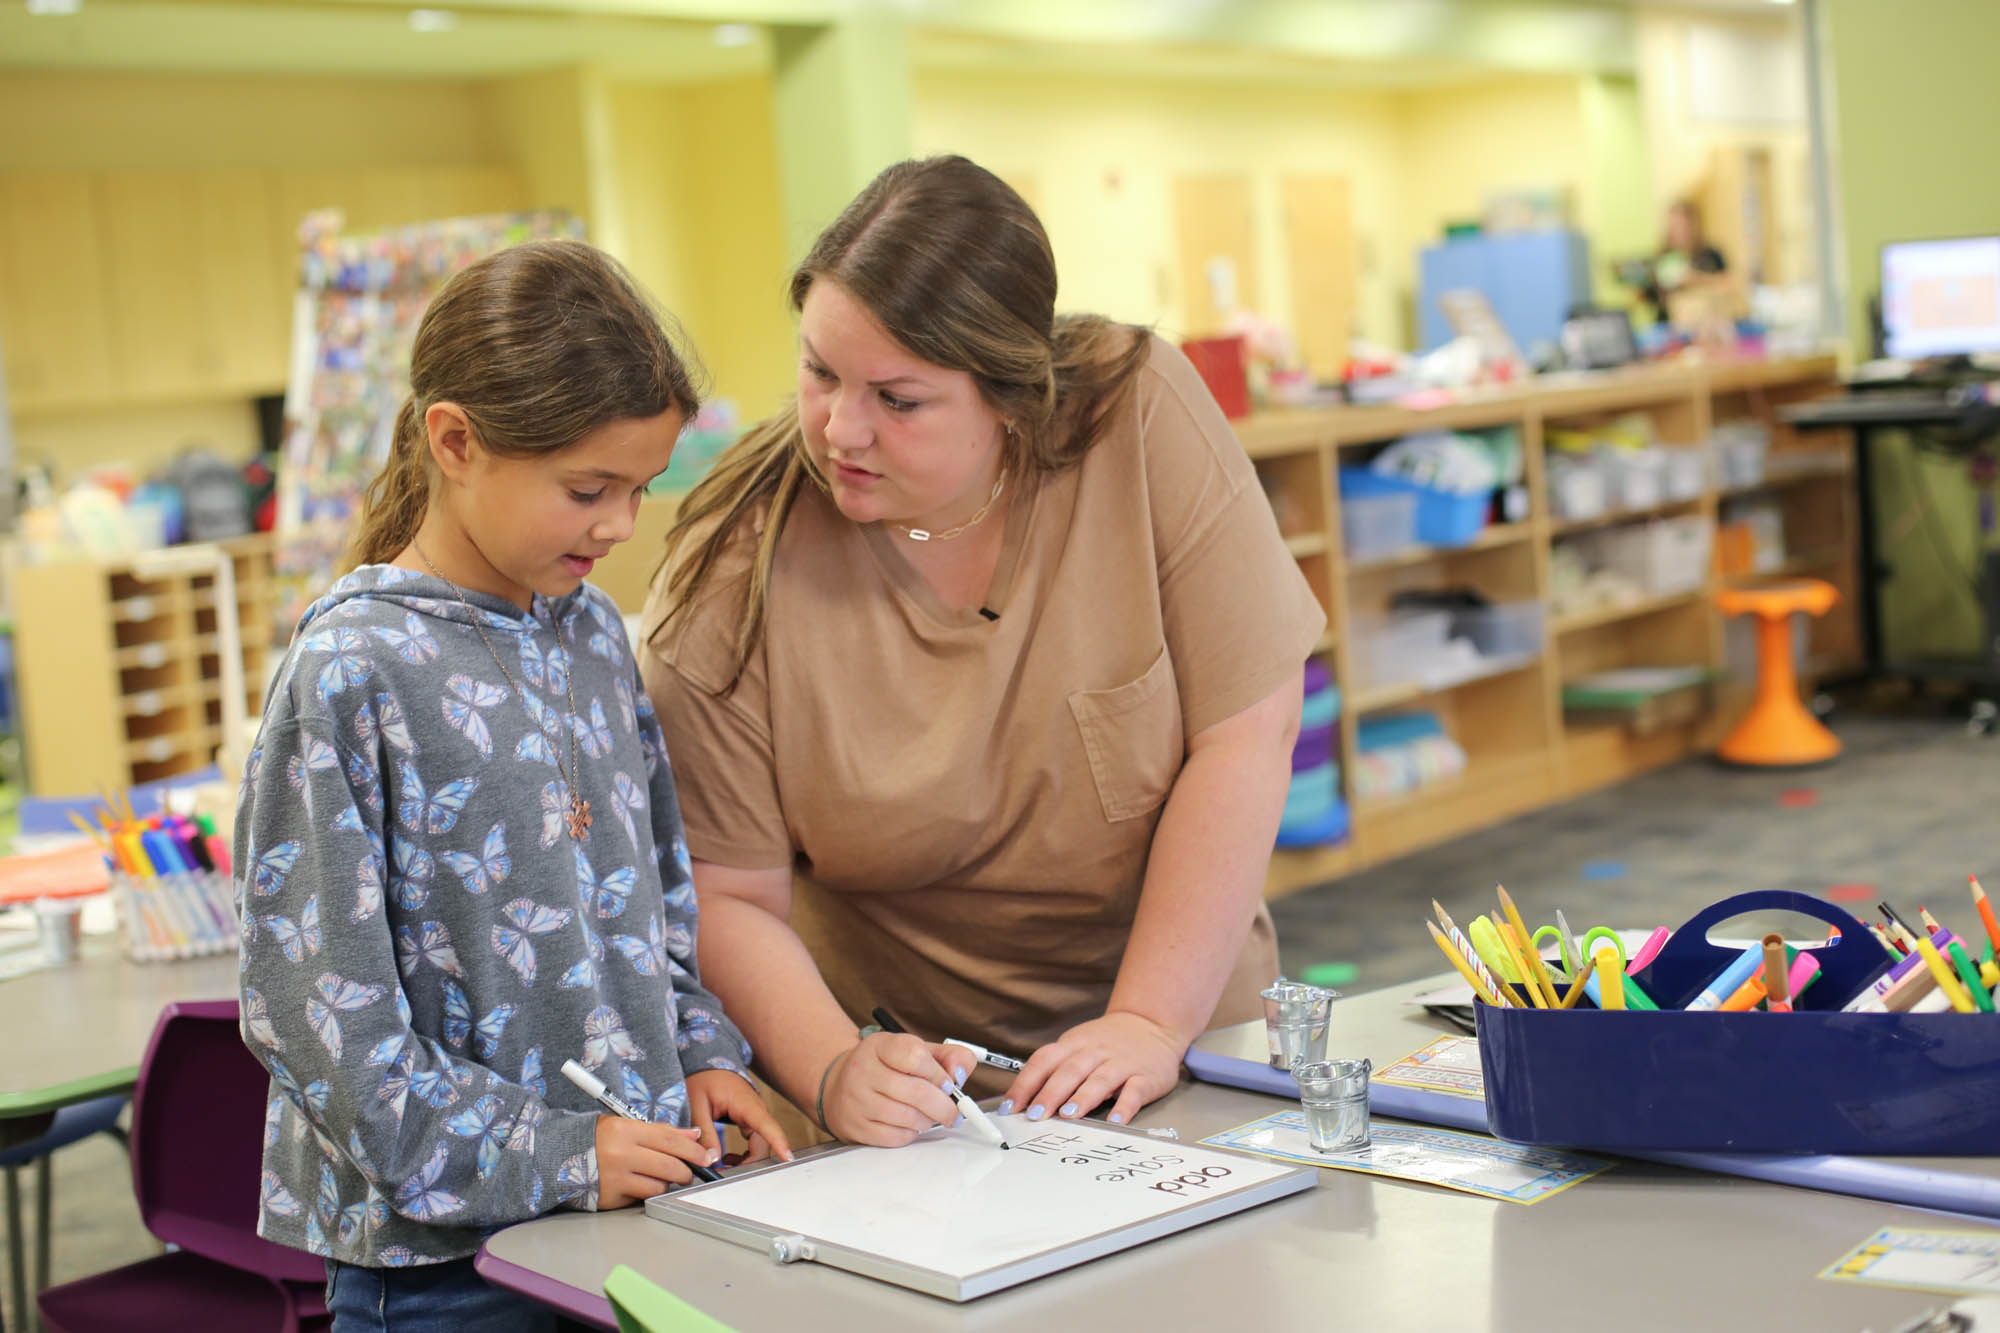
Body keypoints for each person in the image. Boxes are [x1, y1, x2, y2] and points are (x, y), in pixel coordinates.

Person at [640, 156, 1323, 1149]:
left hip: (1189, 1036)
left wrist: (1147, 1022)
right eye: (819, 372)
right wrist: (831, 1068)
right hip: (922, 1101)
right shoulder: (730, 571)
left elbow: (1245, 730)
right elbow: (728, 892)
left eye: (898, 399)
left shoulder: (1135, 415)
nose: (840, 428)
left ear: (1009, 396)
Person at [235, 239, 789, 1332]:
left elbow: (652, 901)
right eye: (588, 490)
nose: (620, 526)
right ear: (455, 442)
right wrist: (549, 1149)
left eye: (637, 489)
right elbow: (314, 1015)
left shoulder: (588, 632)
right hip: (441, 1269)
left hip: (623, 1213)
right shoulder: (353, 668)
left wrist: (699, 1053)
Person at [1643, 198, 1729, 326]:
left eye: (1683, 224)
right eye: (1674, 225)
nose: (1679, 230)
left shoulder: (1710, 254)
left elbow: (1728, 283)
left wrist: (1694, 279)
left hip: (1704, 323)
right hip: (1669, 325)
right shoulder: (1662, 257)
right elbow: (1652, 295)